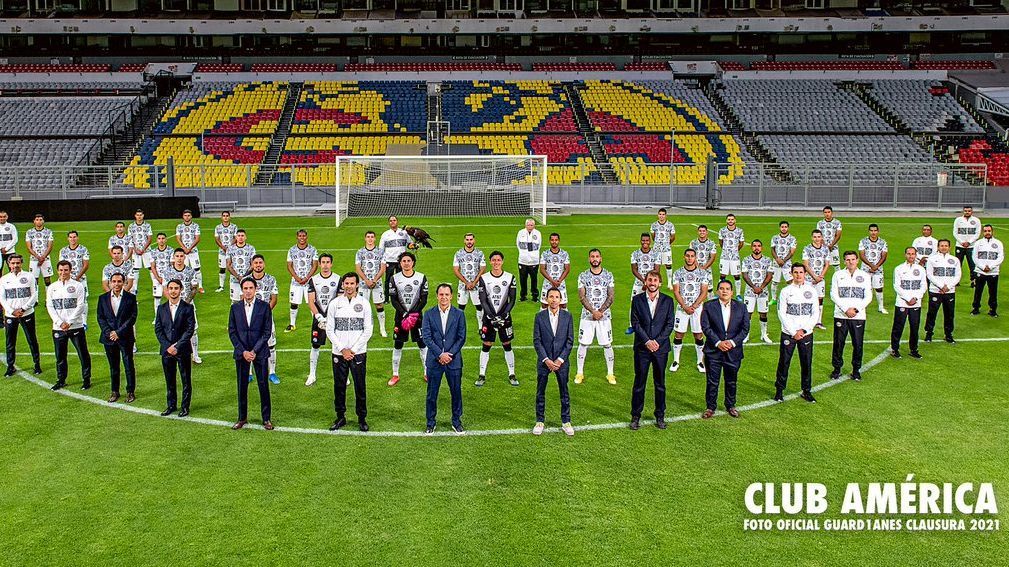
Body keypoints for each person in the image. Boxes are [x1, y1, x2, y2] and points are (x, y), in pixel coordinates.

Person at [325, 272, 373, 432]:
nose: (349, 286)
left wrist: (352, 350)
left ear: (357, 285)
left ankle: (362, 418)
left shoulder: (365, 303)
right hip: (339, 353)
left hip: (358, 353)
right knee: (339, 386)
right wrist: (342, 349)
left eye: (352, 283)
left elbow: (368, 330)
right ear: (342, 285)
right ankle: (340, 417)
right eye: (346, 283)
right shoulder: (334, 304)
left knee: (360, 386)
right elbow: (330, 330)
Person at [629, 271, 675, 430]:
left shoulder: (668, 301)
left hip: (660, 349)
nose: (652, 282)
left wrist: (657, 342)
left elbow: (669, 324)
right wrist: (647, 341)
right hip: (642, 348)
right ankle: (635, 416)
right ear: (646, 282)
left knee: (660, 383)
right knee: (639, 382)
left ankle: (660, 415)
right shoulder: (637, 299)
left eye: (655, 280)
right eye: (650, 280)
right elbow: (635, 323)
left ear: (660, 283)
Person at [228, 277, 274, 430]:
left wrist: (253, 351)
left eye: (250, 288)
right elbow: (232, 332)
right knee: (242, 386)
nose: (248, 291)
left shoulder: (264, 307)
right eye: (245, 288)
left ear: (255, 289)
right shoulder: (235, 308)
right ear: (242, 290)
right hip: (242, 353)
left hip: (259, 352)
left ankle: (266, 419)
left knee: (263, 385)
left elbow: (267, 332)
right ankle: (242, 418)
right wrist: (243, 351)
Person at [421, 283, 466, 435]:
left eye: (447, 294)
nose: (444, 297)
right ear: (437, 296)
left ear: (451, 296)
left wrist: (449, 354)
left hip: (454, 361)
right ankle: (430, 423)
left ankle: (456, 421)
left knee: (456, 392)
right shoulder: (428, 313)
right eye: (441, 294)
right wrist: (440, 354)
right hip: (435, 361)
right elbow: (426, 337)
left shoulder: (459, 314)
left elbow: (461, 338)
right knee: (432, 394)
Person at [700, 280, 749, 419]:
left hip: (733, 352)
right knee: (712, 381)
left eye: (727, 289)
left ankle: (730, 405)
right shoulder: (709, 306)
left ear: (732, 292)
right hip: (713, 351)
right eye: (721, 288)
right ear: (717, 291)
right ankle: (710, 407)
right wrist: (718, 342)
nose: (724, 291)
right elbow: (706, 327)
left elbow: (745, 329)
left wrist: (732, 343)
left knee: (731, 381)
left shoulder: (741, 307)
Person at [774, 264, 820, 403]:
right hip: (789, 333)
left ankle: (806, 391)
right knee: (784, 362)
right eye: (795, 272)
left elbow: (815, 313)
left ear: (805, 273)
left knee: (806, 363)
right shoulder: (785, 291)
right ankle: (779, 391)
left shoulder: (811, 291)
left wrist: (804, 330)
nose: (798, 275)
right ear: (791, 273)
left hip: (806, 333)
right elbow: (781, 313)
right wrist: (794, 332)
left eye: (801, 272)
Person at [532, 287, 575, 436]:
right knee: (540, 392)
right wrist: (546, 360)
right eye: (551, 296)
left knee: (564, 392)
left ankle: (566, 421)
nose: (554, 299)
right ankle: (539, 421)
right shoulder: (539, 316)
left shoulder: (568, 316)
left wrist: (560, 359)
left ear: (561, 300)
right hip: (545, 362)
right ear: (546, 299)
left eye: (557, 297)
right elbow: (537, 341)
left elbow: (570, 341)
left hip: (561, 363)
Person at [46, 261, 91, 391]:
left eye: (66, 270)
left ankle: (86, 379)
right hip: (58, 327)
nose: (63, 273)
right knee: (60, 356)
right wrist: (60, 322)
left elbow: (80, 305)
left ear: (70, 271)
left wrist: (70, 322)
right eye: (61, 270)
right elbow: (50, 306)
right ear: (57, 271)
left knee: (83, 354)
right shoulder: (52, 287)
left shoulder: (78, 286)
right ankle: (61, 380)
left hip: (75, 326)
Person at [829, 251, 873, 382]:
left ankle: (856, 370)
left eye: (853, 259)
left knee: (858, 344)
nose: (851, 262)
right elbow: (833, 294)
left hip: (858, 316)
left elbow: (868, 296)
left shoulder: (864, 276)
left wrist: (856, 309)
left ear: (857, 260)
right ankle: (837, 369)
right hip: (841, 315)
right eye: (848, 260)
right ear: (844, 261)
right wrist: (845, 309)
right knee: (838, 343)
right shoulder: (838, 275)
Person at [575, 248, 616, 384]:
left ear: (601, 258)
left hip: (604, 317)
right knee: (583, 344)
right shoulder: (583, 276)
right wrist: (593, 311)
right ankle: (579, 373)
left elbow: (611, 296)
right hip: (587, 316)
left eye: (597, 256)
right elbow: (582, 297)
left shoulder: (608, 275)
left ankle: (610, 374)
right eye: (592, 256)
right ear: (589, 259)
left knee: (607, 344)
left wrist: (600, 311)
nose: (595, 259)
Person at [476, 251, 518, 386]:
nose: (496, 262)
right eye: (493, 260)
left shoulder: (510, 277)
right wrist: (491, 316)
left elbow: (512, 300)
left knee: (507, 345)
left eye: (498, 260)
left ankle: (512, 374)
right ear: (490, 262)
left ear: (502, 261)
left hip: (505, 317)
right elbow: (482, 300)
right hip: (489, 318)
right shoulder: (483, 278)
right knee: (486, 345)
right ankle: (482, 375)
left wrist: (504, 315)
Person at [154, 280, 195, 417]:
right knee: (169, 379)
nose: (173, 291)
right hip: (166, 351)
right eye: (170, 288)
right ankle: (171, 405)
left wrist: (177, 346)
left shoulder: (188, 308)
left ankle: (185, 407)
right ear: (167, 290)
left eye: (176, 288)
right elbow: (158, 330)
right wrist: (167, 346)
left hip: (182, 349)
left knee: (185, 380)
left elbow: (189, 330)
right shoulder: (161, 308)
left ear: (181, 290)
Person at [388, 251, 429, 386]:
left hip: (417, 317)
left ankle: (426, 372)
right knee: (398, 344)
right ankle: (395, 375)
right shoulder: (394, 278)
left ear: (413, 262)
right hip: (400, 317)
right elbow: (393, 299)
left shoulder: (421, 277)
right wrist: (404, 313)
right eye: (403, 261)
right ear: (400, 263)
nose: (406, 263)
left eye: (408, 261)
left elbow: (424, 299)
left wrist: (413, 313)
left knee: (422, 344)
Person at [97, 272, 137, 403]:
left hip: (125, 337)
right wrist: (110, 332)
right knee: (113, 366)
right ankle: (115, 391)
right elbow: (101, 318)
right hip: (109, 338)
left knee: (128, 365)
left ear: (124, 283)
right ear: (110, 282)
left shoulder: (130, 298)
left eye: (119, 281)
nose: (116, 284)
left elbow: (132, 318)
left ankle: (130, 391)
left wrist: (118, 332)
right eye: (114, 281)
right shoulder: (102, 298)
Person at [669, 249, 709, 373]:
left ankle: (700, 361)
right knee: (679, 334)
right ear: (684, 257)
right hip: (682, 308)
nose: (690, 258)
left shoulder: (703, 273)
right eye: (687, 256)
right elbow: (676, 291)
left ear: (695, 258)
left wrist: (694, 305)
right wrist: (685, 306)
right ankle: (676, 361)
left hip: (697, 309)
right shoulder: (678, 273)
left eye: (692, 256)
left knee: (698, 334)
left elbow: (704, 292)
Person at [0, 254, 42, 376]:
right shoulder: (3, 279)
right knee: (10, 342)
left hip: (27, 314)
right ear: (9, 264)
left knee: (32, 340)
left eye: (18, 263)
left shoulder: (29, 276)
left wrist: (23, 309)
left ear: (21, 263)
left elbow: (34, 295)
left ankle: (37, 365)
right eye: (13, 263)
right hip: (10, 315)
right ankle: (10, 366)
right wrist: (12, 311)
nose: (15, 265)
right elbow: (2, 298)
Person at [306, 253, 342, 386]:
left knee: (338, 345)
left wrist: (330, 317)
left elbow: (340, 300)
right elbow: (311, 301)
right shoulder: (313, 280)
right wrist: (319, 316)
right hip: (319, 317)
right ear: (319, 264)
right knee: (315, 345)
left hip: (334, 317)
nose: (325, 265)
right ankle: (312, 374)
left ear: (331, 264)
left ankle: (342, 375)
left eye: (328, 262)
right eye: (323, 262)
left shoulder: (338, 279)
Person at [162, 248, 202, 364]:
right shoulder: (167, 272)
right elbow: (165, 289)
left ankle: (195, 355)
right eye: (177, 256)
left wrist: (185, 303)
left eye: (181, 256)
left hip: (188, 305)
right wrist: (172, 301)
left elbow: (194, 289)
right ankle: (175, 351)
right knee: (174, 329)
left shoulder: (190, 271)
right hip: (172, 305)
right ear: (173, 257)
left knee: (193, 330)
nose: (179, 258)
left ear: (185, 257)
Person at [248, 254, 280, 384]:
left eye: (260, 262)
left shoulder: (271, 279)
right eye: (255, 263)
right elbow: (242, 299)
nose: (258, 265)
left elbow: (274, 299)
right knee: (249, 345)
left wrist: (264, 313)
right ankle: (249, 373)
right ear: (252, 265)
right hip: (250, 319)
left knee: (271, 345)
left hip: (266, 318)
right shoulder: (246, 280)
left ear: (264, 264)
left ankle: (272, 372)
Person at [890, 247, 927, 360]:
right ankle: (895, 349)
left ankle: (914, 349)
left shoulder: (920, 269)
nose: (911, 256)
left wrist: (915, 298)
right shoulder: (899, 269)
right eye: (909, 254)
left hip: (916, 303)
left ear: (916, 255)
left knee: (915, 327)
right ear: (905, 255)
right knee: (898, 326)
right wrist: (907, 298)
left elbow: (923, 286)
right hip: (902, 303)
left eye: (913, 254)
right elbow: (897, 286)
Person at [924, 239, 961, 344]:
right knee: (932, 313)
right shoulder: (932, 259)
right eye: (941, 245)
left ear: (949, 247)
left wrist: (948, 286)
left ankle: (948, 334)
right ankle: (929, 333)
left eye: (946, 245)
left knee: (949, 314)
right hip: (935, 290)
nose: (944, 247)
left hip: (949, 291)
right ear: (938, 247)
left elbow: (958, 275)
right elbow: (929, 274)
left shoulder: (955, 260)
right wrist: (941, 286)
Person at [740, 240, 774, 344]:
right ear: (751, 247)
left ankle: (764, 334)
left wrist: (761, 287)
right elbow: (744, 275)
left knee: (763, 314)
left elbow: (769, 275)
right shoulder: (746, 260)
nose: (756, 248)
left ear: (762, 248)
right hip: (750, 292)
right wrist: (754, 287)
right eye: (754, 246)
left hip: (763, 292)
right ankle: (746, 335)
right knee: (748, 314)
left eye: (759, 246)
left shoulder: (768, 260)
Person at [285, 228, 319, 332]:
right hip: (296, 282)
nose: (302, 238)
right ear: (297, 237)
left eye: (304, 236)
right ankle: (292, 324)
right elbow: (289, 265)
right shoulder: (291, 250)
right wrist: (297, 278)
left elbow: (315, 265)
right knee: (294, 303)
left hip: (309, 282)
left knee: (311, 302)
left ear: (306, 237)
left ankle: (315, 324)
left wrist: (307, 278)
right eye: (300, 236)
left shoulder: (313, 249)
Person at [355, 230, 387, 337]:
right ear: (365, 238)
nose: (370, 239)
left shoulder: (381, 252)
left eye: (372, 237)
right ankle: (364, 329)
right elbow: (358, 269)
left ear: (375, 238)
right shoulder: (359, 252)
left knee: (379, 305)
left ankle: (382, 328)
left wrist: (374, 280)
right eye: (368, 236)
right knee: (363, 306)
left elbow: (382, 269)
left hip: (377, 284)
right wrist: (366, 280)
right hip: (363, 284)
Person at [627, 233, 658, 334]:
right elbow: (634, 270)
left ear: (650, 241)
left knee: (654, 304)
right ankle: (631, 325)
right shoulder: (635, 254)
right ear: (640, 241)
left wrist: (648, 282)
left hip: (652, 284)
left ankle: (652, 324)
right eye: (643, 240)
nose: (645, 242)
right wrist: (643, 281)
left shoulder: (656, 254)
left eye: (647, 240)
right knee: (634, 303)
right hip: (638, 283)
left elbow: (657, 270)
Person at [453, 232, 486, 327]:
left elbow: (483, 268)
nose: (469, 241)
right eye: (467, 239)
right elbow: (455, 269)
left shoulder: (479, 253)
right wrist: (466, 282)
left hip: (476, 285)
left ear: (474, 240)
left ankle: (481, 326)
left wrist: (474, 282)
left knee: (479, 306)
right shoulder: (458, 253)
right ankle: (459, 327)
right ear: (464, 241)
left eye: (471, 239)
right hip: (463, 285)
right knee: (461, 307)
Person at [801, 229, 831, 330]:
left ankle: (818, 321)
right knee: (807, 299)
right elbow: (806, 264)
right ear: (812, 237)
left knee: (820, 299)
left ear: (821, 237)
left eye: (819, 237)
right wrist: (814, 277)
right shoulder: (807, 248)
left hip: (820, 279)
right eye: (815, 237)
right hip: (809, 279)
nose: (817, 239)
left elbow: (827, 264)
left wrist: (820, 277)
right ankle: (807, 321)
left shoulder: (826, 249)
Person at [58, 230, 90, 321]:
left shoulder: (83, 249)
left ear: (77, 238)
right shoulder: (63, 251)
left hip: (81, 279)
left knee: (83, 300)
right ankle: (68, 318)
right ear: (68, 238)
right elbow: (61, 265)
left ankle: (84, 321)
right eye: (71, 237)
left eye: (74, 237)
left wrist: (77, 277)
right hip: (67, 279)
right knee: (67, 298)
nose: (73, 239)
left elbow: (86, 265)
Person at [971, 224, 1002, 318]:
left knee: (993, 292)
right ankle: (975, 308)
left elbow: (1000, 257)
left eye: (989, 231)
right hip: (980, 271)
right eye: (985, 231)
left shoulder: (998, 243)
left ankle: (993, 310)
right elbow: (974, 257)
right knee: (978, 291)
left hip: (993, 272)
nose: (987, 232)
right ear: (982, 232)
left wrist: (991, 267)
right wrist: (982, 267)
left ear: (992, 231)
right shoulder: (978, 243)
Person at [858, 223, 889, 314]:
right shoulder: (863, 241)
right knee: (864, 287)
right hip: (865, 269)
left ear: (878, 231)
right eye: (871, 230)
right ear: (869, 231)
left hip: (878, 269)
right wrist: (872, 266)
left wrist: (876, 266)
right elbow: (862, 255)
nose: (873, 232)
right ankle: (862, 307)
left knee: (879, 288)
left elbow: (884, 256)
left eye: (875, 230)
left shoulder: (883, 242)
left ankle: (881, 307)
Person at [379, 215, 412, 298]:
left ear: (397, 222)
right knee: (388, 280)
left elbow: (409, 244)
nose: (392, 222)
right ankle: (386, 297)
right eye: (391, 221)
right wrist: (382, 262)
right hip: (389, 261)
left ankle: (400, 295)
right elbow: (381, 250)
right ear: (389, 223)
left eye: (394, 220)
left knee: (401, 279)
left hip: (401, 261)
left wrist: (414, 245)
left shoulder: (404, 233)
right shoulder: (385, 234)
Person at [539, 232, 571, 310]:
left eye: (556, 240)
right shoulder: (545, 254)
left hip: (560, 283)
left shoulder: (564, 254)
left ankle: (563, 321)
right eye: (552, 240)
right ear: (549, 241)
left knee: (563, 305)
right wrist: (552, 281)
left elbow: (567, 269)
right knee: (544, 304)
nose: (554, 242)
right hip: (548, 283)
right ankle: (544, 321)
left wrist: (559, 281)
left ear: (559, 241)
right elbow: (542, 269)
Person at [224, 229, 256, 303]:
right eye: (239, 236)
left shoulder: (251, 248)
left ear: (246, 237)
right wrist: (238, 277)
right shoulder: (230, 249)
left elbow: (252, 265)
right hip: (234, 280)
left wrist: (244, 276)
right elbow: (228, 265)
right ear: (236, 237)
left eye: (242, 236)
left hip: (248, 280)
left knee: (248, 300)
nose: (240, 237)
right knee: (234, 302)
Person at [718, 214, 745, 298]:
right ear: (726, 221)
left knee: (736, 275)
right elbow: (721, 242)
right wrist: (726, 250)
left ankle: (738, 294)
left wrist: (735, 251)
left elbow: (741, 243)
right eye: (729, 219)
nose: (730, 221)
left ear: (735, 220)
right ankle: (719, 292)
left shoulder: (740, 231)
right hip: (724, 256)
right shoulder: (722, 230)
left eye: (732, 219)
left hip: (735, 257)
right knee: (722, 275)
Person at [175, 209, 203, 290]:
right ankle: (185, 285)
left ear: (191, 216)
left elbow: (197, 238)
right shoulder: (179, 226)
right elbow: (178, 238)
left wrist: (189, 248)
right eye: (185, 215)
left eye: (188, 215)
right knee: (184, 269)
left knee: (197, 269)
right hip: (183, 253)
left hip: (193, 251)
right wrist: (184, 248)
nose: (187, 217)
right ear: (183, 217)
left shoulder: (195, 226)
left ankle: (200, 286)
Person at [954, 205, 981, 288]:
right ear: (963, 211)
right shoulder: (958, 220)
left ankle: (974, 281)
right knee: (958, 264)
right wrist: (962, 242)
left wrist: (969, 242)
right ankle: (955, 281)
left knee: (972, 264)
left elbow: (977, 233)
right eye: (965, 211)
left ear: (971, 211)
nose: (967, 212)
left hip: (971, 246)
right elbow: (955, 232)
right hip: (959, 246)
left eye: (969, 211)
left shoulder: (976, 220)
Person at [24, 213, 54, 288]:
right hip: (34, 259)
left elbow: (50, 246)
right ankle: (35, 299)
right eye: (37, 220)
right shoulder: (29, 232)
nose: (39, 221)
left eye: (40, 220)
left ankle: (48, 298)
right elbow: (29, 247)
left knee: (47, 279)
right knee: (34, 280)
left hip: (46, 259)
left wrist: (43, 257)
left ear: (43, 221)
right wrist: (38, 257)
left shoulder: (48, 232)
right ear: (34, 221)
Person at [769, 221, 797, 301]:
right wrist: (777, 259)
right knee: (774, 281)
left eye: (785, 227)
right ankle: (773, 299)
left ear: (788, 228)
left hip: (787, 264)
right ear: (779, 228)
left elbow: (792, 252)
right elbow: (772, 250)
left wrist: (783, 261)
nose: (784, 228)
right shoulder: (775, 238)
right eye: (782, 227)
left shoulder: (792, 239)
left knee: (790, 281)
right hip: (776, 264)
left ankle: (791, 297)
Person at [127, 209, 153, 295]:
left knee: (151, 268)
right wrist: (135, 249)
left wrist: (143, 249)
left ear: (143, 215)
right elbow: (129, 239)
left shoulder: (147, 225)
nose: (139, 216)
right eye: (137, 215)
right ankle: (134, 290)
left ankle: (156, 287)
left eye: (140, 215)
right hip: (135, 252)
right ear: (135, 216)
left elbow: (149, 238)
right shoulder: (131, 226)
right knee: (135, 270)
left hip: (147, 251)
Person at [516, 218, 542, 302]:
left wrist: (533, 256)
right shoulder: (521, 232)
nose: (530, 226)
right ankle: (523, 296)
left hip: (534, 261)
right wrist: (523, 254)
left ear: (534, 225)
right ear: (525, 225)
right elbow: (518, 245)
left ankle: (535, 296)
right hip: (522, 261)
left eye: (531, 225)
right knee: (523, 280)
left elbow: (539, 245)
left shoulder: (538, 233)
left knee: (534, 280)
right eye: (528, 225)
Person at [148, 233, 174, 318]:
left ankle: (172, 316)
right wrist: (158, 278)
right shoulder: (153, 252)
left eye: (163, 238)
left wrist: (166, 278)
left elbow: (172, 265)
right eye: (159, 238)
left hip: (169, 278)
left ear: (166, 239)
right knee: (157, 297)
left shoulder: (171, 250)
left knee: (171, 297)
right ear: (157, 240)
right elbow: (153, 266)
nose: (161, 240)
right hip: (157, 278)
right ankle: (157, 317)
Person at [650, 208, 676, 288]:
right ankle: (658, 281)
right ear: (658, 215)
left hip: (666, 249)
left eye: (663, 214)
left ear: (666, 215)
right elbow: (653, 236)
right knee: (657, 265)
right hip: (656, 249)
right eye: (660, 214)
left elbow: (673, 237)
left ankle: (669, 283)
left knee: (668, 265)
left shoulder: (670, 225)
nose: (661, 216)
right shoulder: (654, 225)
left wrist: (667, 244)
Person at [213, 211, 238, 293]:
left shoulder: (234, 227)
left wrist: (230, 247)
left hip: (232, 252)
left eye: (227, 216)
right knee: (222, 268)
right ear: (221, 217)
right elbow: (217, 239)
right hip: (222, 251)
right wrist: (223, 247)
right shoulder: (218, 227)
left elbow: (235, 237)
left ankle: (235, 284)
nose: (225, 217)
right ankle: (221, 286)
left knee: (233, 268)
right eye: (224, 216)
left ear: (229, 217)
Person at [689, 225, 718, 291]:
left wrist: (704, 268)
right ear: (698, 232)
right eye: (700, 231)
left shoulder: (711, 243)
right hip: (695, 269)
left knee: (709, 289)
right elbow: (691, 256)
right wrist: (697, 267)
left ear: (707, 232)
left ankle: (710, 300)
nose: (702, 232)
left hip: (707, 270)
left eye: (703, 231)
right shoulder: (693, 243)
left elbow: (712, 258)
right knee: (696, 289)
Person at [0, 210, 16, 275]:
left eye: (4, 216)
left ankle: (12, 284)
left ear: (7, 217)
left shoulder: (11, 226)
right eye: (0, 217)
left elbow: (15, 239)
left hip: (10, 252)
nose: (2, 218)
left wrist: (6, 249)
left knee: (13, 270)